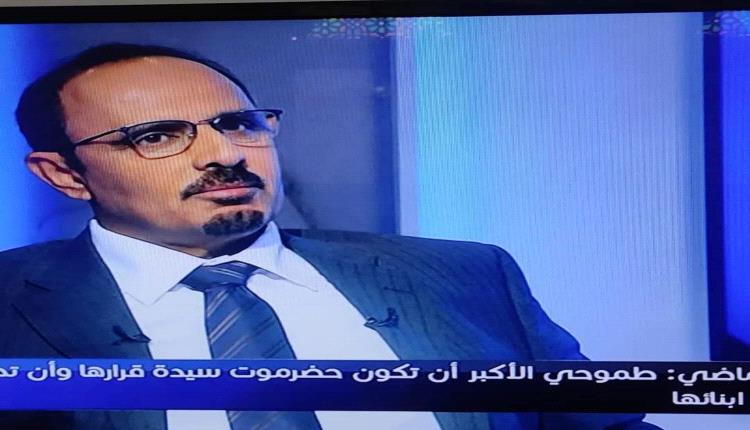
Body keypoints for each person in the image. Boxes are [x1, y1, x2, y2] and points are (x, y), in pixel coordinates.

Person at [0, 43, 660, 430]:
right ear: (64, 174)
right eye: (156, 136)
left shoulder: (467, 273)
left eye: (238, 123)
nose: (224, 154)